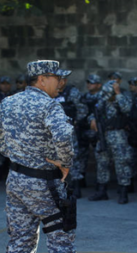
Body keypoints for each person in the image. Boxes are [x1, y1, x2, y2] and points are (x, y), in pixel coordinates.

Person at [0, 60, 89, 253]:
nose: (61, 83)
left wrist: (14, 153)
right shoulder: (49, 105)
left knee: (20, 235)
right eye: (56, 78)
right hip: (45, 183)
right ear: (41, 79)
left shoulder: (9, 101)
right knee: (60, 235)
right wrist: (64, 164)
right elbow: (63, 137)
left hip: (16, 180)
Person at [87, 80, 133, 204]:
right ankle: (102, 191)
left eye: (110, 92)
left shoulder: (122, 98)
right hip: (103, 135)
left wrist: (118, 93)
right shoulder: (103, 101)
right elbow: (93, 113)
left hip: (118, 135)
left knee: (121, 163)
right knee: (102, 162)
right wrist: (92, 120)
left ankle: (123, 192)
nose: (107, 95)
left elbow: (127, 109)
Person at [54, 69, 88, 198]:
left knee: (73, 158)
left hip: (68, 131)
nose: (60, 82)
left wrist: (73, 123)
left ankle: (75, 186)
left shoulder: (72, 93)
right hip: (52, 133)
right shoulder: (48, 93)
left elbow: (82, 109)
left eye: (62, 80)